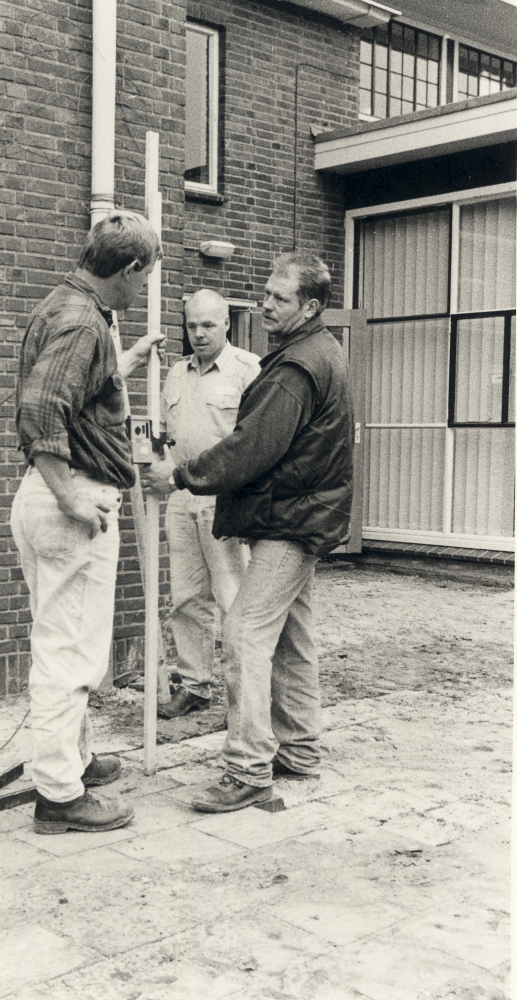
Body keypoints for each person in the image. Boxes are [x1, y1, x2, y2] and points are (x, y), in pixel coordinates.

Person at [143, 251, 354, 812]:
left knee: (242, 634)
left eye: (279, 298)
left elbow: (250, 449)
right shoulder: (317, 352)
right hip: (302, 516)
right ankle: (300, 750)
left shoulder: (293, 368)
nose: (264, 305)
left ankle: (248, 768)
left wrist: (182, 476)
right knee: (291, 635)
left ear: (309, 306)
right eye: (264, 294)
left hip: (290, 521)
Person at [11, 210, 164, 834]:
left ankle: (73, 759)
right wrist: (73, 495)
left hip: (45, 499)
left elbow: (79, 387)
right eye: (144, 276)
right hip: (70, 502)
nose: (142, 288)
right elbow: (43, 407)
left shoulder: (66, 305)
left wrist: (123, 358)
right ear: (128, 268)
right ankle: (57, 794)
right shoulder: (82, 321)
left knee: (65, 641)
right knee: (68, 653)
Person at [158, 289, 261, 718]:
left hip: (225, 499)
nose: (198, 334)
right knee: (186, 596)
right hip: (181, 497)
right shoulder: (176, 373)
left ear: (226, 325)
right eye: (192, 326)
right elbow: (165, 433)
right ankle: (195, 684)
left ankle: (245, 691)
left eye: (208, 325)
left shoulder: (248, 370)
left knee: (233, 595)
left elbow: (254, 441)